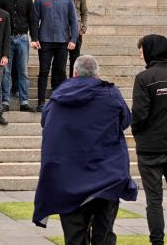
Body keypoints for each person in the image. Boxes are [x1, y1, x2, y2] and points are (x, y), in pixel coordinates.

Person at [33, 55, 137, 244]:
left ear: (74, 73)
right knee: (104, 236)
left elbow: (45, 123)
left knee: (74, 237)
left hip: (69, 179)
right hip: (107, 176)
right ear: (98, 74)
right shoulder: (110, 94)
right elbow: (125, 120)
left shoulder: (58, 98)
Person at [132, 34, 167, 245]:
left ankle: (157, 242)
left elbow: (139, 115)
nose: (140, 55)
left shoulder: (144, 78)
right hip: (153, 145)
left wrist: (137, 133)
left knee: (154, 200)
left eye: (141, 50)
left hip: (150, 148)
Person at [32, 0, 79, 112]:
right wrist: (34, 38)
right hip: (45, 41)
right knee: (44, 71)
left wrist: (73, 39)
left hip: (62, 41)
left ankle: (62, 100)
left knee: (60, 71)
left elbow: (73, 21)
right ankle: (41, 102)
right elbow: (34, 21)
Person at [0, 0, 37, 112]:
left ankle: (24, 101)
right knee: (6, 71)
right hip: (7, 38)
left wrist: (34, 38)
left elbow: (32, 19)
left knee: (23, 71)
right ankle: (6, 101)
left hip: (22, 38)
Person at [61, 0, 88, 78]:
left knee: (74, 59)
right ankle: (61, 83)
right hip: (61, 31)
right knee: (61, 60)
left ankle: (73, 83)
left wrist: (83, 27)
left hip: (75, 31)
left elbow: (84, 12)